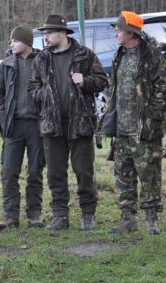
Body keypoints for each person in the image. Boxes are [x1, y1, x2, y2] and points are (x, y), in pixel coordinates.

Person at [28, 14, 108, 231]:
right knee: (55, 173)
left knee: (84, 171)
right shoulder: (41, 59)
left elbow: (102, 81)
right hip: (52, 125)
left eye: (48, 33)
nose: (44, 37)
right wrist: (44, 94)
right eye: (43, 33)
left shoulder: (84, 55)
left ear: (62, 33)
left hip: (80, 123)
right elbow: (32, 88)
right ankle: (60, 215)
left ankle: (88, 214)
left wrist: (86, 81)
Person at [102, 12, 166, 235]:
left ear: (131, 32)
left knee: (149, 175)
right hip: (121, 129)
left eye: (119, 29)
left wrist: (151, 118)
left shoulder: (152, 55)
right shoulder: (119, 55)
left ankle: (152, 220)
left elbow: (164, 90)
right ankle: (127, 219)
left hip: (144, 130)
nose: (116, 32)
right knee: (123, 175)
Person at [0, 24, 45, 230]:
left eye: (15, 40)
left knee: (35, 171)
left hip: (37, 126)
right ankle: (10, 215)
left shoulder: (42, 62)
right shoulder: (5, 65)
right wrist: (4, 118)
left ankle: (34, 215)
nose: (11, 43)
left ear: (27, 42)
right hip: (13, 126)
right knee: (8, 171)